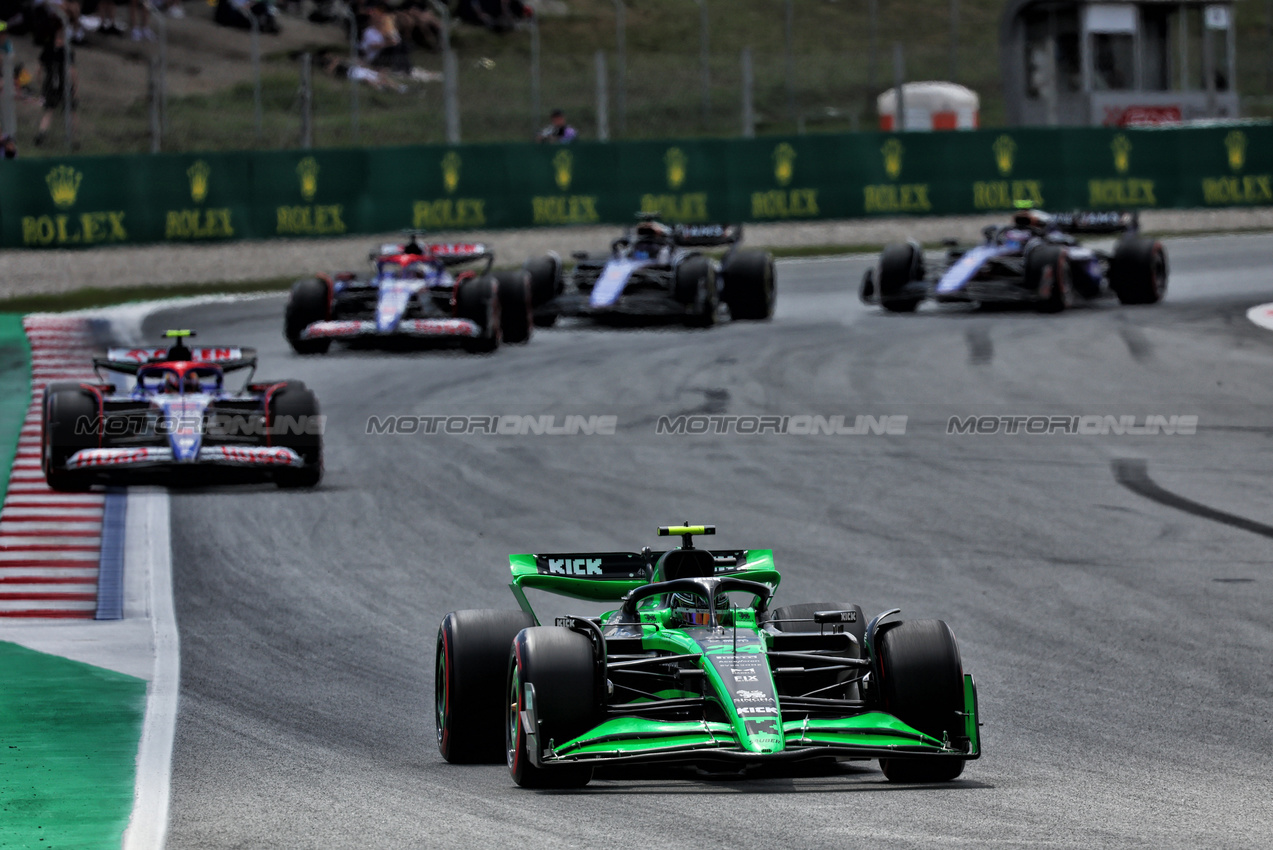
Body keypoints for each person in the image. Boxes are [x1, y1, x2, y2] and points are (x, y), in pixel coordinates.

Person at [34, 24, 76, 147]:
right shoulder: (67, 51)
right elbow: (72, 71)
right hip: (63, 84)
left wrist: (40, 82)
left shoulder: (47, 49)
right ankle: (71, 137)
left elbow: (39, 69)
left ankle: (41, 134)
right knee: (71, 111)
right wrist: (75, 86)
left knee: (49, 111)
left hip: (50, 83)